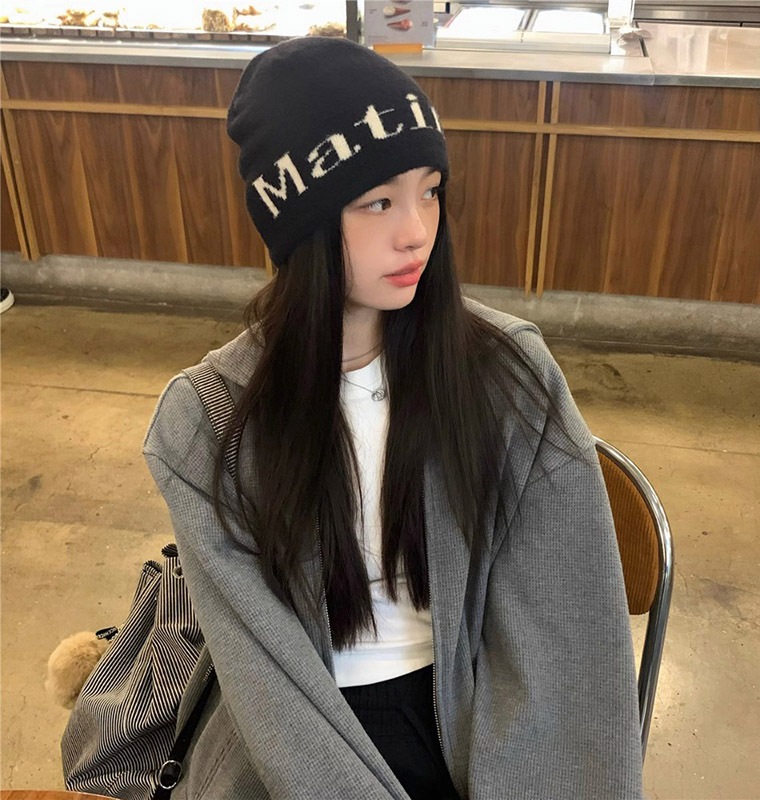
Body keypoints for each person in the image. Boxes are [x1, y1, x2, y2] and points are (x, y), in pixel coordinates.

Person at [143, 36, 644, 800]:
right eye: (378, 201)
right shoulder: (208, 422)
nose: (416, 229)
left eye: (430, 190)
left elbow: (567, 647)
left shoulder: (506, 376)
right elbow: (272, 697)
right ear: (299, 222)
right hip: (295, 742)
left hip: (475, 719)